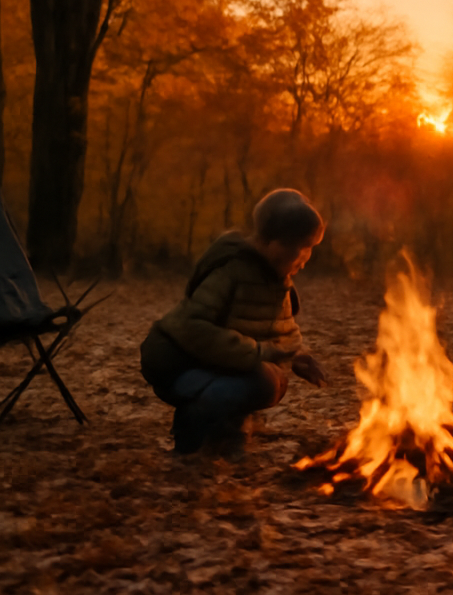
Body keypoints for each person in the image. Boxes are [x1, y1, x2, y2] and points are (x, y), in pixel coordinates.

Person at [140, 189, 329, 456]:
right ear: (277, 245)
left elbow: (278, 328)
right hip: (176, 365)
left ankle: (227, 430)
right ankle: (192, 428)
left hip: (214, 364)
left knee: (272, 378)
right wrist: (260, 352)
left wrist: (297, 356)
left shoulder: (275, 277)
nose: (307, 258)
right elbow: (193, 328)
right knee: (263, 380)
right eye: (306, 247)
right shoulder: (230, 270)